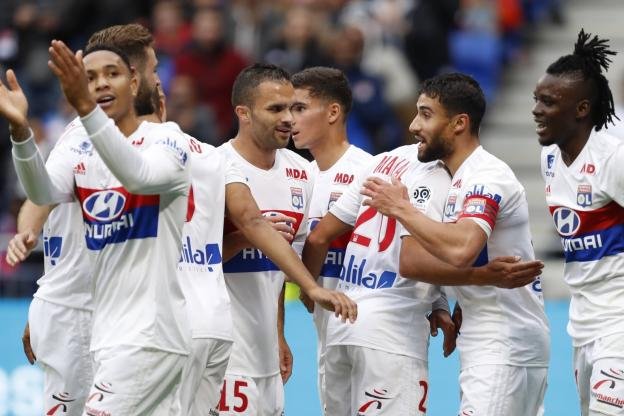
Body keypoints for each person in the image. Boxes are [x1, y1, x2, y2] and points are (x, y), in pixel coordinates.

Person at [4, 41, 192, 414]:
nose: (101, 83)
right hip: (106, 332)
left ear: (134, 82)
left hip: (149, 333)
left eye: (112, 74)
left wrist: (87, 110)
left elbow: (139, 176)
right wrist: (21, 131)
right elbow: (41, 192)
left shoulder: (168, 141)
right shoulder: (79, 146)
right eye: (89, 78)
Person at [361, 73, 550, 415]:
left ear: (459, 123)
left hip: (503, 343)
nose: (414, 125)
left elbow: (462, 250)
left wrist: (401, 208)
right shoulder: (459, 176)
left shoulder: (486, 176)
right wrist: (457, 298)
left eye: (426, 114)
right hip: (496, 340)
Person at [216, 63, 349, 416]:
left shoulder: (301, 172)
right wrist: (246, 239)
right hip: (223, 350)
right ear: (243, 113)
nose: (289, 118)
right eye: (276, 109)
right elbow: (191, 260)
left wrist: (278, 334)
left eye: (292, 108)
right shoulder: (214, 167)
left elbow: (277, 269)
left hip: (266, 355)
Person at [533, 29, 624, 416]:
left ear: (582, 109)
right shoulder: (550, 157)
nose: (537, 110)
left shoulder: (613, 158)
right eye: (536, 99)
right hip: (583, 321)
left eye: (549, 102)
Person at [289, 65, 373, 410]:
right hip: (325, 328)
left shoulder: (367, 170)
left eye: (300, 108)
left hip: (367, 326)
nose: (290, 119)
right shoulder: (299, 177)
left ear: (333, 112)